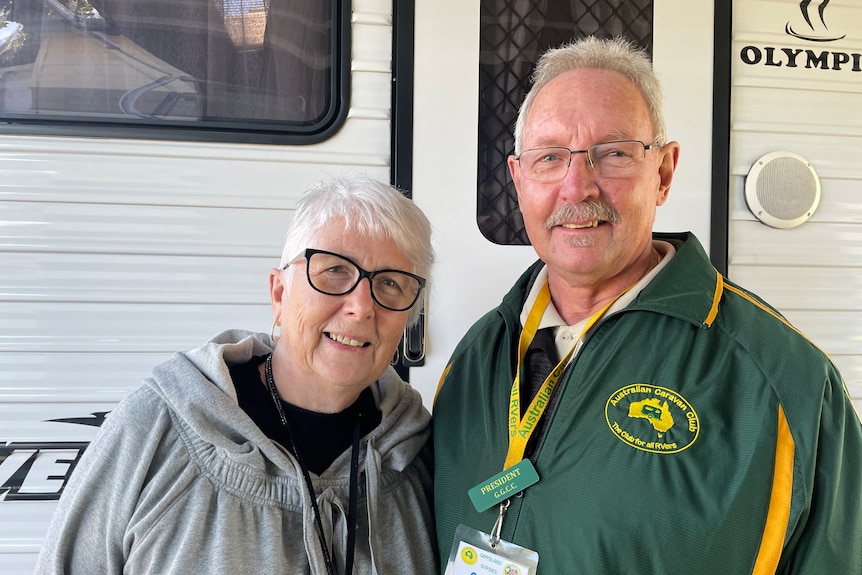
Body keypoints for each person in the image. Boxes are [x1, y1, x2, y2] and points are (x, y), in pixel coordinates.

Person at [433, 36, 862, 574]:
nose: (575, 187)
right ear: (519, 180)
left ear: (662, 172)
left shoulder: (784, 379)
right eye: (549, 158)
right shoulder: (476, 357)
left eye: (612, 154)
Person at [36, 173, 439, 574]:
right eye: (334, 270)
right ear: (279, 294)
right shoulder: (156, 429)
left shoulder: (416, 455)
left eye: (390, 283)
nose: (361, 307)